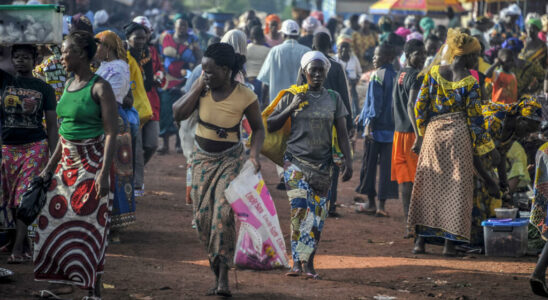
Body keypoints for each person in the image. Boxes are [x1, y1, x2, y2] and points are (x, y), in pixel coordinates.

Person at [173, 42, 264, 297]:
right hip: (201, 159)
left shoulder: (246, 95)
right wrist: (199, 86)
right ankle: (215, 273)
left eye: (210, 72)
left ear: (225, 70)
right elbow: (177, 113)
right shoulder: (201, 89)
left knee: (222, 216)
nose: (206, 75)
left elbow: (258, 128)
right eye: (204, 71)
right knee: (203, 220)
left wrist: (254, 155)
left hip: (230, 159)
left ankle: (224, 279)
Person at [33, 30, 118, 299]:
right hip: (65, 168)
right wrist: (48, 168)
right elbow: (64, 134)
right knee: (55, 223)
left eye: (66, 51)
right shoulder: (69, 84)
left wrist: (103, 173)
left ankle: (94, 289)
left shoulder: (100, 87)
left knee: (91, 226)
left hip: (92, 166)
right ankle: (64, 284)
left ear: (81, 54)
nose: (61, 56)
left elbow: (111, 132)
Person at [408, 29, 499, 256]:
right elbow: (476, 123)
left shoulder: (434, 73)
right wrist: (490, 149)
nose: (476, 60)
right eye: (475, 56)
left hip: (433, 136)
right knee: (456, 189)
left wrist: (422, 133)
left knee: (428, 186)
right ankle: (449, 245)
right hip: (458, 138)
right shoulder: (469, 82)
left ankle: (420, 242)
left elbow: (420, 107)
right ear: (467, 56)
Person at [267, 50, 352, 279]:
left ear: (325, 72)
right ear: (304, 73)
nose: (316, 74)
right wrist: (291, 106)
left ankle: (309, 262)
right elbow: (271, 125)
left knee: (317, 216)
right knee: (300, 209)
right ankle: (297, 262)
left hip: (323, 167)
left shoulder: (334, 98)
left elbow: (342, 133)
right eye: (312, 70)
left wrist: (349, 161)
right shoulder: (292, 96)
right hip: (295, 162)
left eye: (320, 70)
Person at [0, 44, 57, 264]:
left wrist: (54, 157)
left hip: (35, 146)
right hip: (7, 148)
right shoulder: (5, 81)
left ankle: (18, 247)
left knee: (25, 196)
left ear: (35, 60)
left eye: (25, 57)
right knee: (10, 198)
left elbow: (52, 126)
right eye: (17, 57)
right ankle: (20, 241)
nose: (20, 61)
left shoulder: (44, 88)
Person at [258, 19, 310, 189]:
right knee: (299, 139)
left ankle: (284, 174)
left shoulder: (275, 51)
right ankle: (295, 173)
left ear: (283, 33)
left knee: (281, 140)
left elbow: (264, 80)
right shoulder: (307, 52)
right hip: (302, 103)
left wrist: (263, 103)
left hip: (279, 104)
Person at [94, 30, 134, 235]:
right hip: (106, 117)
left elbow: (115, 95)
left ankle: (115, 224)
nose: (95, 50)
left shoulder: (119, 68)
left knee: (115, 170)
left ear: (107, 47)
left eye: (99, 45)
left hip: (113, 118)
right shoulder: (104, 66)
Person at [309, 32, 353, 217]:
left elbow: (299, 91)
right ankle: (331, 203)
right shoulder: (336, 66)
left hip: (310, 122)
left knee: (311, 160)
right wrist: (349, 123)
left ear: (313, 46)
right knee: (333, 161)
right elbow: (344, 94)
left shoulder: (307, 65)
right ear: (330, 47)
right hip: (333, 121)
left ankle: (313, 200)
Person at [355, 43, 399, 217]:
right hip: (392, 129)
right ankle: (382, 205)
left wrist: (368, 123)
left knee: (369, 165)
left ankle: (371, 203)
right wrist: (361, 114)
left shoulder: (376, 76)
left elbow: (375, 104)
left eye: (377, 56)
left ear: (387, 58)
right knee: (387, 168)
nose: (374, 58)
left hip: (375, 128)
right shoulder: (396, 75)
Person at [392, 39, 426, 236]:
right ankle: (417, 225)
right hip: (412, 134)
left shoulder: (401, 73)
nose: (422, 58)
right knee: (416, 182)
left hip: (399, 133)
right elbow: (411, 104)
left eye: (423, 54)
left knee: (405, 182)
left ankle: (409, 225)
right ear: (408, 55)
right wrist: (419, 135)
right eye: (418, 54)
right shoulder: (416, 76)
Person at [159, 16, 200, 154]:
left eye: (184, 25)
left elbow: (199, 58)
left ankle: (178, 143)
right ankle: (164, 144)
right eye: (180, 24)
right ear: (175, 26)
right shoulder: (165, 37)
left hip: (186, 81)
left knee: (182, 113)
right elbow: (158, 56)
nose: (182, 28)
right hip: (166, 81)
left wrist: (191, 78)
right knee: (165, 112)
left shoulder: (192, 40)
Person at [125, 21, 153, 197]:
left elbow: (146, 84)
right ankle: (134, 186)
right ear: (128, 38)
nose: (142, 41)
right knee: (133, 149)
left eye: (144, 37)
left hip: (142, 110)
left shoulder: (144, 55)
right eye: (138, 38)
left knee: (145, 146)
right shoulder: (125, 58)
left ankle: (135, 184)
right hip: (130, 110)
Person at [133, 16, 163, 166]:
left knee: (152, 145)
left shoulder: (153, 51)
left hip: (151, 102)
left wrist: (158, 76)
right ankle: (136, 179)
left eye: (146, 33)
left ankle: (137, 168)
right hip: (134, 104)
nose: (142, 37)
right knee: (136, 147)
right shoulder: (127, 53)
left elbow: (160, 70)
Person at [335, 36, 362, 117]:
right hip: (338, 89)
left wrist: (355, 81)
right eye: (341, 47)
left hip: (352, 88)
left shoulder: (354, 59)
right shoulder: (334, 59)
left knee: (354, 108)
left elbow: (359, 73)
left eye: (346, 47)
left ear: (349, 49)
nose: (343, 50)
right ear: (337, 48)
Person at [246, 26, 271, 107]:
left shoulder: (246, 48)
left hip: (248, 81)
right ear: (262, 36)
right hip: (262, 83)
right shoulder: (268, 51)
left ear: (251, 37)